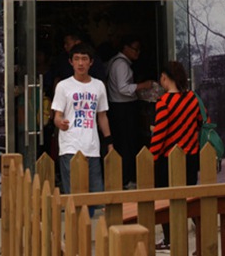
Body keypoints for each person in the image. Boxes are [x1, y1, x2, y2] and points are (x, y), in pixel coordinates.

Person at [149, 61, 203, 250]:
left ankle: (170, 239)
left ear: (164, 77)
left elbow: (160, 133)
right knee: (190, 200)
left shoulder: (164, 103)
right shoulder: (193, 99)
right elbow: (202, 122)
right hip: (190, 157)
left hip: (168, 159)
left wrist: (151, 157)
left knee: (165, 201)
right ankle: (203, 239)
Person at [51, 42, 111, 198]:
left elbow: (102, 116)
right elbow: (57, 115)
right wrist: (59, 122)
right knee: (75, 194)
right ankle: (77, 223)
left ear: (91, 62)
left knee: (95, 195)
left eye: (84, 59)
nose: (80, 63)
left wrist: (109, 142)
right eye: (76, 59)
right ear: (71, 62)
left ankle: (92, 222)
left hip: (92, 146)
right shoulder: (63, 86)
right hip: (70, 145)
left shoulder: (98, 86)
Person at [105, 35, 153, 187]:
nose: (137, 52)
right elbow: (123, 88)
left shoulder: (115, 62)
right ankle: (126, 179)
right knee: (127, 144)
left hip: (119, 107)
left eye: (139, 49)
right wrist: (143, 85)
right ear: (125, 48)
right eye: (135, 49)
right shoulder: (121, 65)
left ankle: (125, 178)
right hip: (123, 108)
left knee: (124, 143)